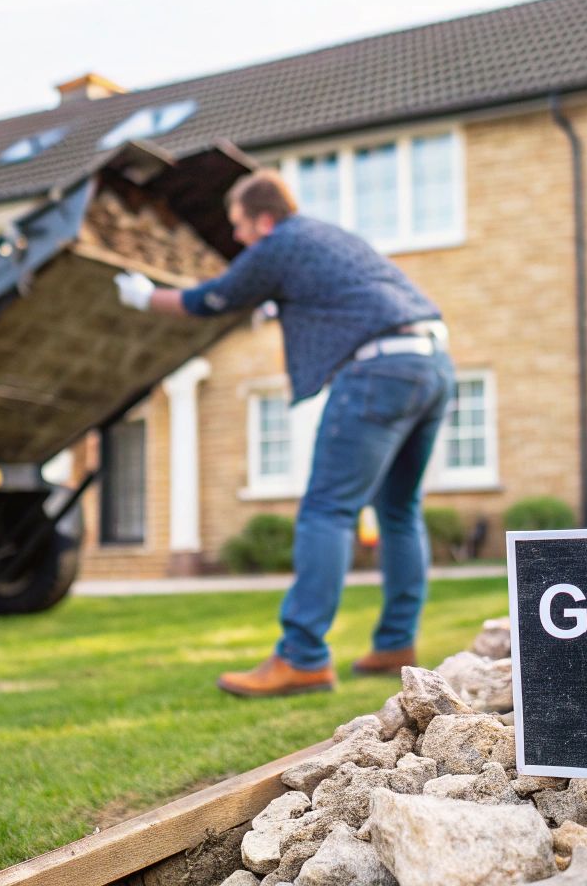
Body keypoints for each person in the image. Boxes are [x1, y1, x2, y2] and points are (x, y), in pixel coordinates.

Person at [114, 171, 454, 697]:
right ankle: (395, 644)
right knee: (399, 511)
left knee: (327, 510)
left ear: (264, 219)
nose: (240, 239)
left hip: (378, 372)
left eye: (239, 227)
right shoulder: (329, 239)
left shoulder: (281, 242)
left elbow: (211, 298)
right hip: (431, 363)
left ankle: (302, 657)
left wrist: (143, 298)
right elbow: (329, 302)